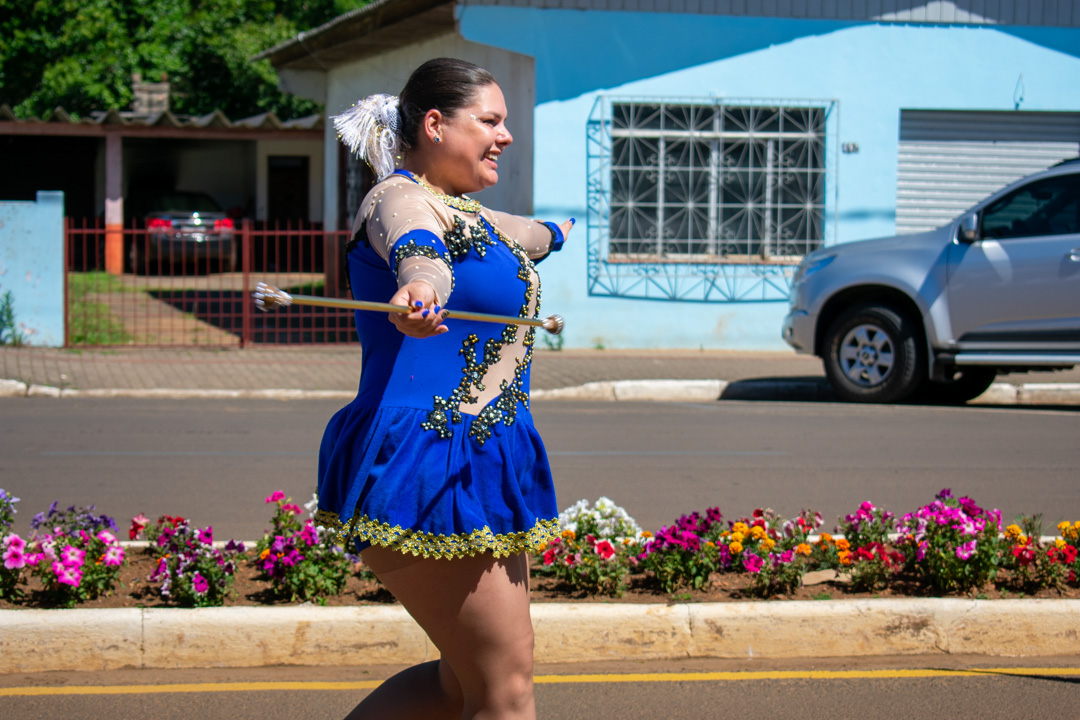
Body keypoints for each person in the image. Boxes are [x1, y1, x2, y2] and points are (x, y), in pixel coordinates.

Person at [316, 58, 573, 719]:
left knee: (461, 685)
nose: (505, 135)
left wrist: (562, 230)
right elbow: (419, 251)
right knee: (505, 690)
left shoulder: (479, 219)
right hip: (429, 459)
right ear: (434, 125)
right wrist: (421, 289)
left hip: (481, 457)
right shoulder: (399, 200)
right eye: (490, 120)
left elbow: (532, 236)